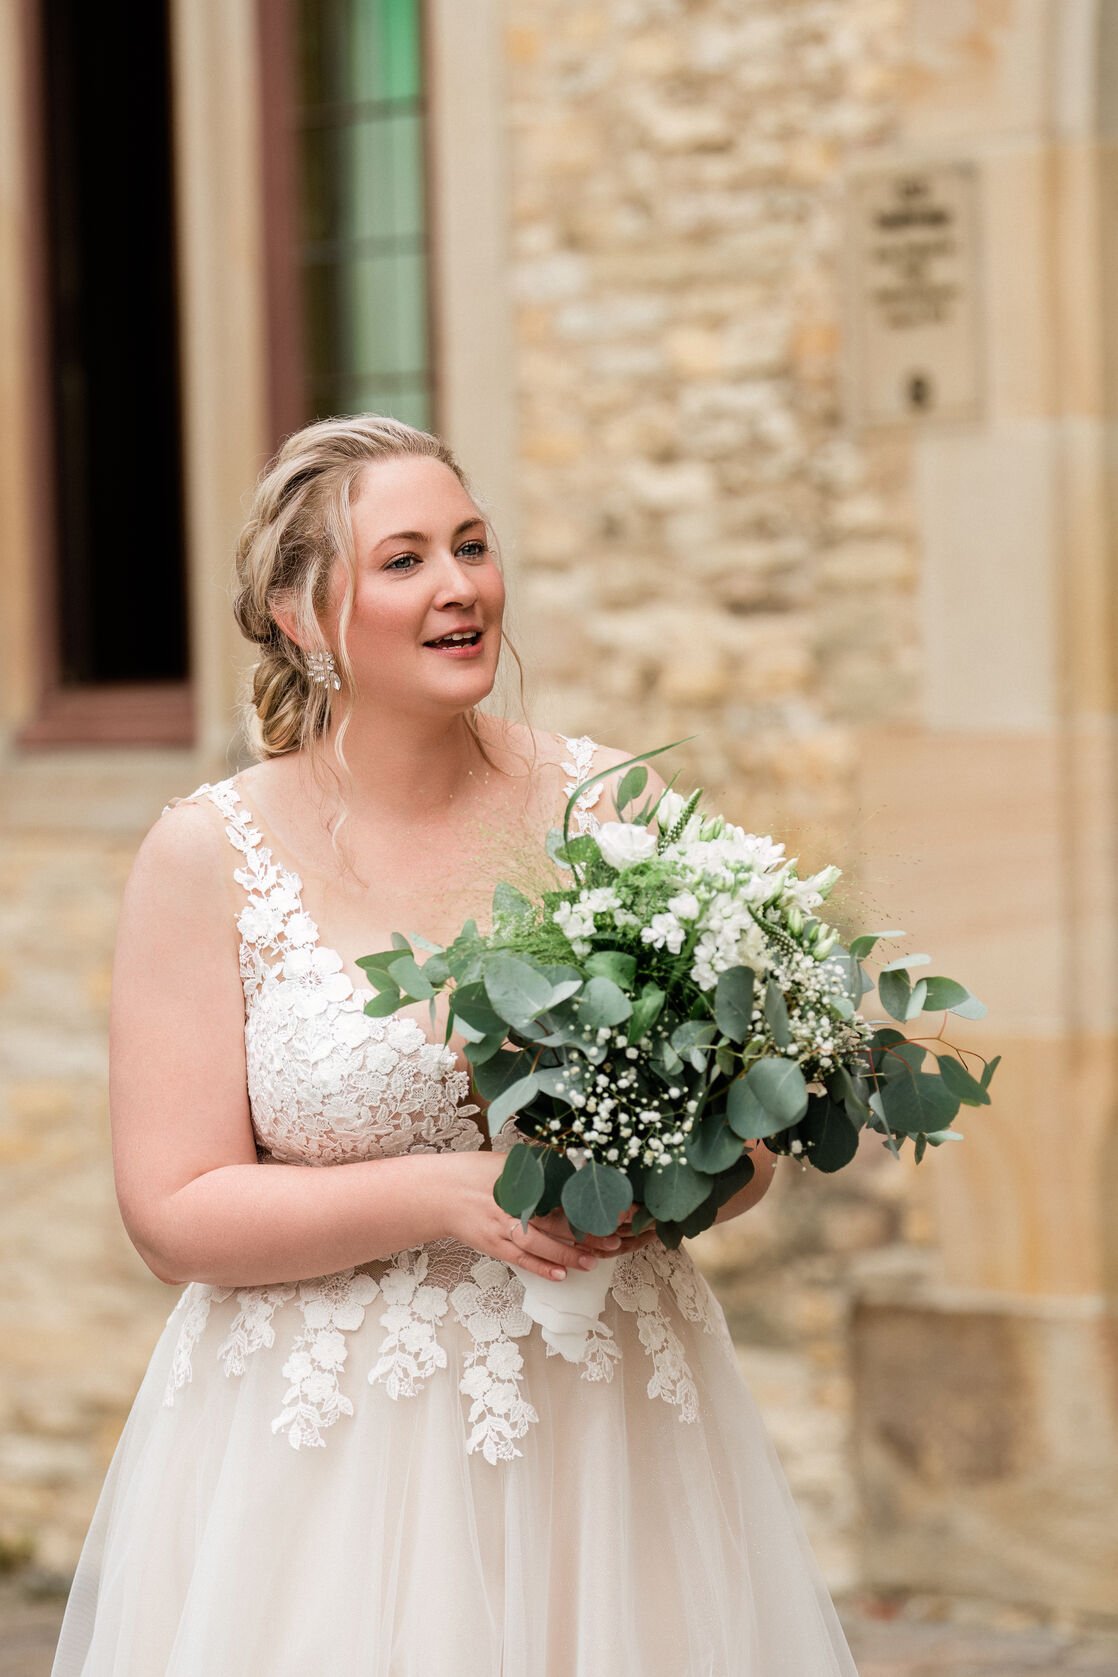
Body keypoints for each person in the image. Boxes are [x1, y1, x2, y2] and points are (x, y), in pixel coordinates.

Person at [52, 415, 859, 1676]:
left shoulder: (615, 813)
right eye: (404, 560)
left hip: (604, 1427)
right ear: (300, 616)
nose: (458, 588)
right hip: (323, 1456)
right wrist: (443, 1192)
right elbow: (172, 1212)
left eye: (471, 548)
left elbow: (746, 1143)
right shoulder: (209, 855)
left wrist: (653, 1193)